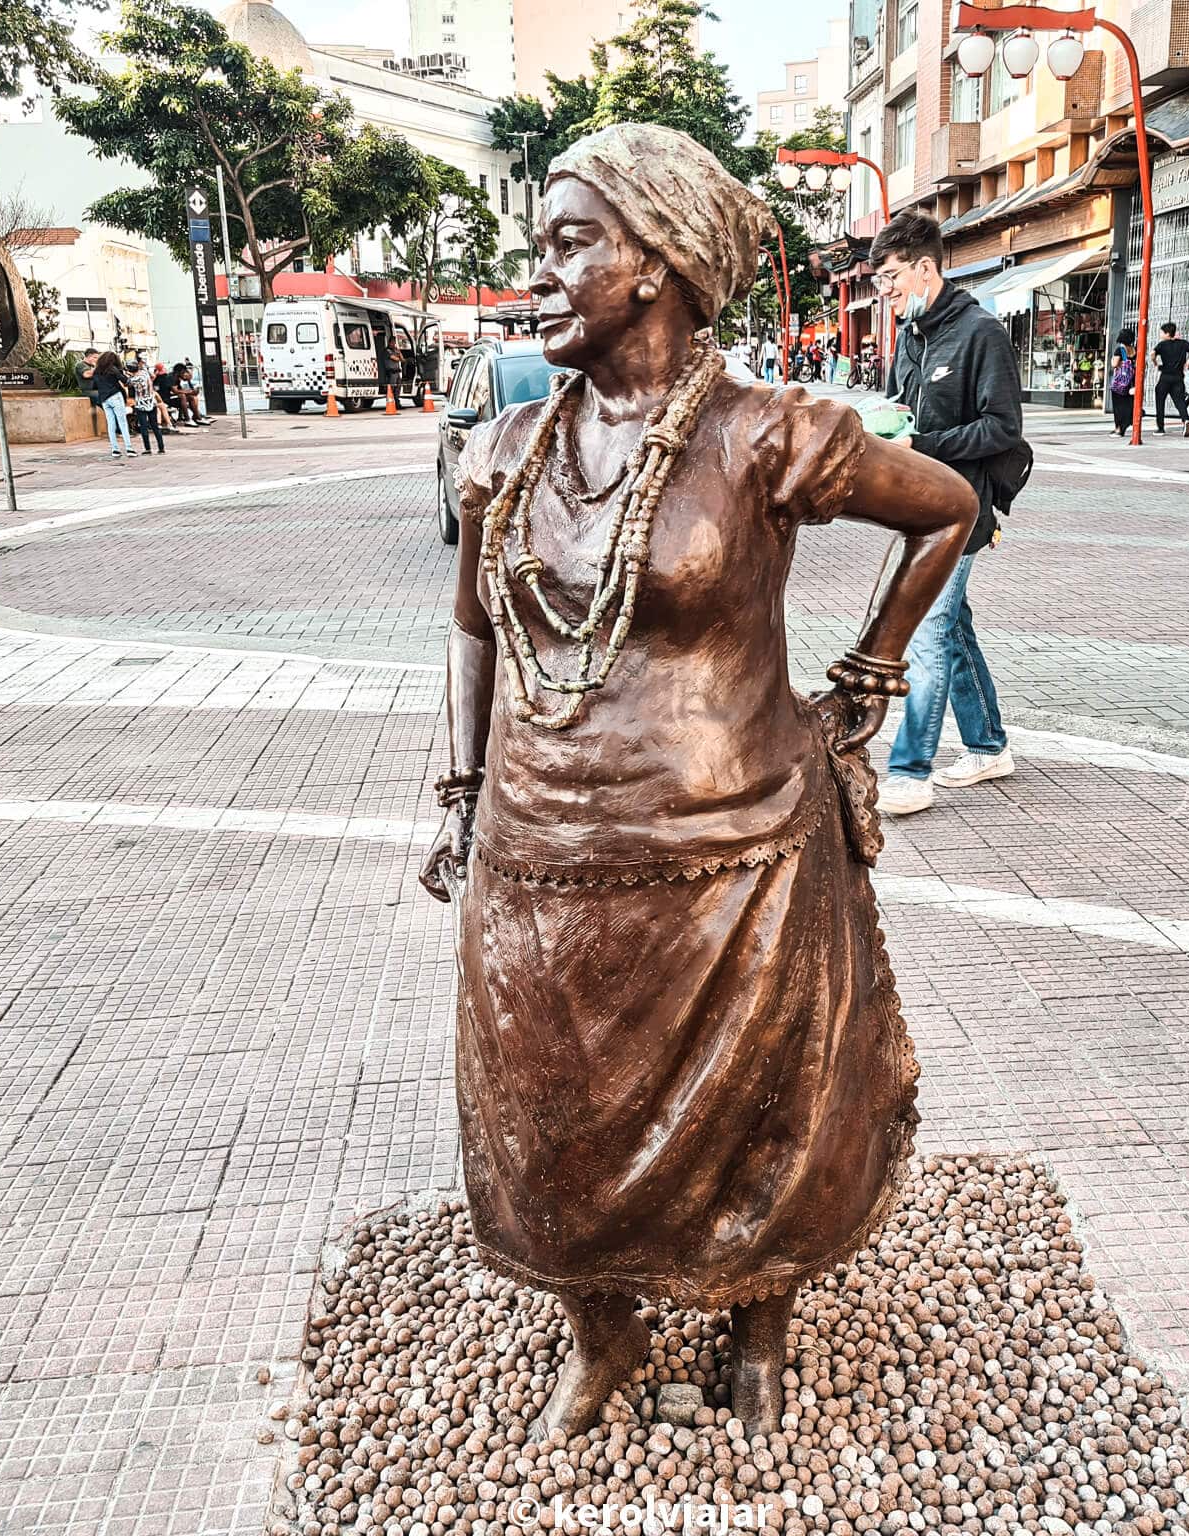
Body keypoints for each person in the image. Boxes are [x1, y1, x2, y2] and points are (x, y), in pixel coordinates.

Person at [418, 122, 975, 1443]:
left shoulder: (770, 434)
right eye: (540, 243)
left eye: (572, 244)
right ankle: (598, 1336)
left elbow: (948, 508)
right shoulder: (502, 452)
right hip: (536, 846)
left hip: (740, 849)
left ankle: (758, 1324)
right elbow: (473, 629)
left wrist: (871, 681)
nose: (540, 272)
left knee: (768, 1121)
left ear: (658, 264)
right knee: (543, 1124)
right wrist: (457, 791)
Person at [871, 207, 1022, 816]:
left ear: (925, 268)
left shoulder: (981, 334)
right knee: (952, 626)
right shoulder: (911, 335)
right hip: (917, 505)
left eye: (890, 278)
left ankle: (910, 771)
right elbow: (901, 407)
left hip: (963, 510)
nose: (884, 292)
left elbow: (1003, 428)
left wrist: (922, 446)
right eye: (878, 283)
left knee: (928, 631)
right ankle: (988, 746)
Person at [90, 350, 132, 458]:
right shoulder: (113, 369)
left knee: (111, 424)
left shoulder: (96, 371)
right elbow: (126, 381)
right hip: (115, 396)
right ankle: (129, 448)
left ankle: (115, 449)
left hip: (104, 399)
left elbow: (94, 386)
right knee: (122, 422)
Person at [1151, 322, 1189, 435]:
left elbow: (1152, 354)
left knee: (1160, 401)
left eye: (1161, 332)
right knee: (1179, 401)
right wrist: (1188, 361)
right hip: (1178, 377)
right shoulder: (1183, 343)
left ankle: (1160, 428)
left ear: (1167, 333)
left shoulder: (1162, 345)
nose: (1160, 334)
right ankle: (1186, 420)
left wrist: (1156, 364)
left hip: (1165, 377)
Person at [125, 352, 166, 455]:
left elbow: (127, 383)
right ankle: (161, 448)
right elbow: (152, 376)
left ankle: (147, 448)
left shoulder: (134, 379)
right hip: (152, 402)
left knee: (143, 427)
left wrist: (128, 375)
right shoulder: (144, 372)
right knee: (155, 425)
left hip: (141, 404)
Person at [1108, 325, 1137, 437]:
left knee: (1118, 405)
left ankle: (1119, 428)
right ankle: (1126, 423)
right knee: (1128, 404)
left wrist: (1112, 360)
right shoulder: (1134, 350)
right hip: (1131, 382)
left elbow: (1114, 364)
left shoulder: (1120, 350)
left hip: (1120, 383)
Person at [172, 361, 209, 425]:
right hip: (167, 398)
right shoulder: (172, 378)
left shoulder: (178, 379)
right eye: (183, 372)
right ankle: (187, 419)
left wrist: (191, 392)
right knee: (182, 396)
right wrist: (189, 392)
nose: (184, 374)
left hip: (173, 397)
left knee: (192, 397)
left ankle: (197, 417)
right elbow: (175, 391)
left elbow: (180, 389)